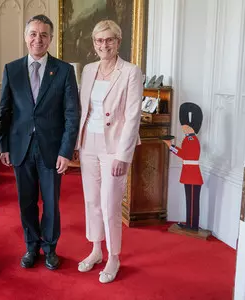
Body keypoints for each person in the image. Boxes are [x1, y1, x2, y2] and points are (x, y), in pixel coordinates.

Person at [0, 14, 80, 270]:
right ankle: (31, 247)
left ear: (50, 39)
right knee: (26, 201)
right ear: (25, 37)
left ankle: (50, 248)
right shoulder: (12, 69)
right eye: (33, 34)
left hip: (52, 150)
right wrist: (4, 146)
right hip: (21, 148)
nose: (38, 39)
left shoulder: (64, 70)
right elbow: (5, 112)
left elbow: (71, 113)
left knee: (52, 203)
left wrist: (66, 151)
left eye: (44, 35)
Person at [75, 20, 143, 283]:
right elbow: (85, 110)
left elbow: (132, 116)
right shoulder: (89, 70)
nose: (104, 45)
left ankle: (114, 256)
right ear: (94, 44)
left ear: (118, 41)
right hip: (88, 142)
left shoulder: (130, 71)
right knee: (91, 201)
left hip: (114, 146)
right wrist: (77, 144)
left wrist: (123, 155)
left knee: (110, 204)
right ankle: (95, 249)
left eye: (109, 40)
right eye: (99, 41)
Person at [162, 102, 204, 231]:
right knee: (190, 200)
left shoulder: (191, 140)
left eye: (185, 127)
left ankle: (192, 225)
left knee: (192, 201)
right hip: (190, 173)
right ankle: (190, 223)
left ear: (192, 128)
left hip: (192, 174)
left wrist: (171, 146)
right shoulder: (189, 139)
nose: (183, 129)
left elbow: (184, 155)